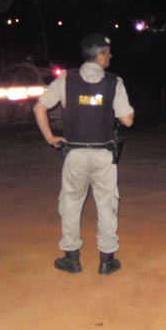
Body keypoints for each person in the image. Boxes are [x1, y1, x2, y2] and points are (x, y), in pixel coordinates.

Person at [33, 33, 135, 275]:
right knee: (107, 205)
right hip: (104, 154)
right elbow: (127, 121)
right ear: (100, 55)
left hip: (75, 153)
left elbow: (39, 108)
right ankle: (107, 260)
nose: (110, 56)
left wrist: (50, 138)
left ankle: (71, 258)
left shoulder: (66, 79)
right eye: (108, 53)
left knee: (70, 203)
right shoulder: (114, 82)